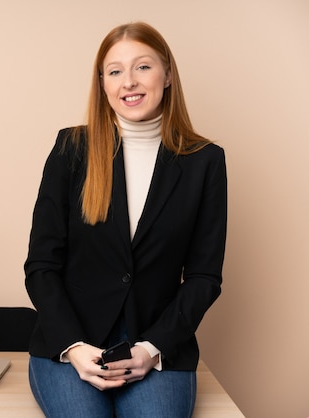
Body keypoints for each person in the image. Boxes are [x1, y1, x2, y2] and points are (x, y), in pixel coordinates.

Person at [24, 22, 227, 418]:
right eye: (114, 71)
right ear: (102, 84)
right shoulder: (71, 149)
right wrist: (73, 347)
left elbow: (205, 277)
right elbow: (41, 265)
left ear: (167, 75)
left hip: (158, 344)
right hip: (72, 342)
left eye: (143, 67)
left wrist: (152, 349)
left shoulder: (205, 161)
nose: (128, 82)